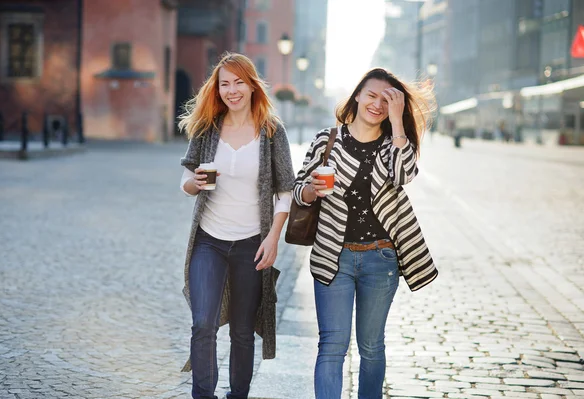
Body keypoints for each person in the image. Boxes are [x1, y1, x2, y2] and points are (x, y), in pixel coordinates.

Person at [292, 68, 438, 399]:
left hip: (381, 258)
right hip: (334, 255)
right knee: (332, 345)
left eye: (387, 101)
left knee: (371, 347)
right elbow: (298, 189)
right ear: (357, 95)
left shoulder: (393, 145)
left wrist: (399, 122)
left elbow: (404, 175)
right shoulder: (326, 140)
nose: (377, 104)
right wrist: (312, 191)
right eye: (371, 95)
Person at [178, 52, 295, 399]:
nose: (232, 90)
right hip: (208, 241)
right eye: (224, 84)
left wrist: (273, 238)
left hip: (251, 244)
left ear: (252, 85)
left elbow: (285, 190)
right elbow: (186, 175)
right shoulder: (207, 127)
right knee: (203, 325)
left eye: (238, 82)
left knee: (243, 332)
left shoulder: (272, 132)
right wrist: (193, 184)